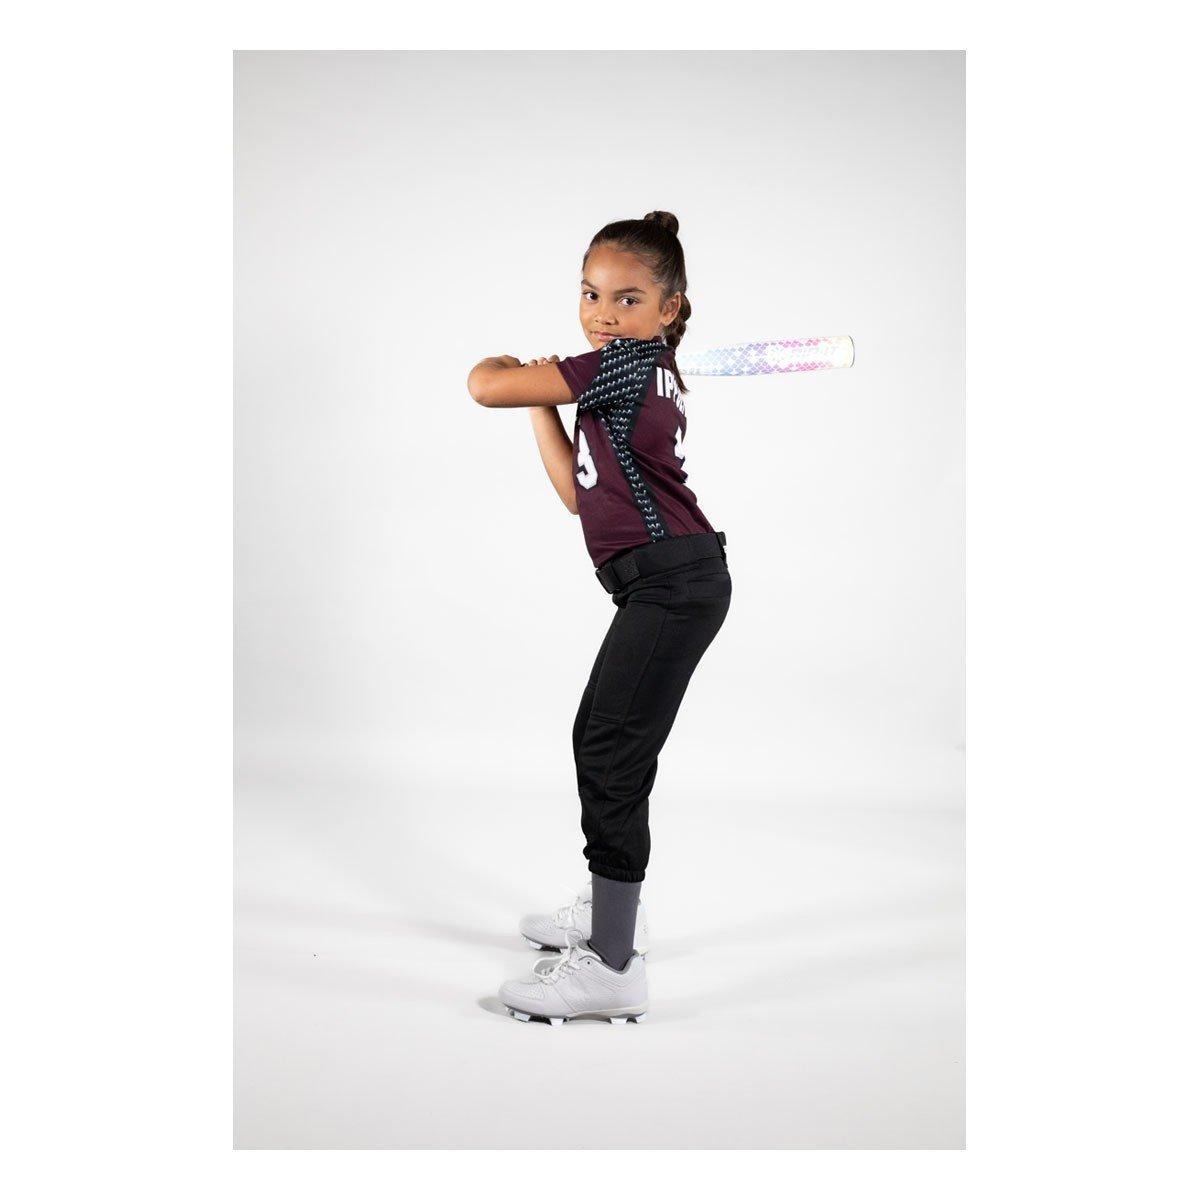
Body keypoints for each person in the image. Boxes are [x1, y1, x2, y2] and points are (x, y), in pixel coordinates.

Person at [467, 211, 732, 1024]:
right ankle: (611, 913)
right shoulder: (635, 373)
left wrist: (511, 372)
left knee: (611, 752)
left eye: (628, 299)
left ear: (668, 310)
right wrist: (543, 400)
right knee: (603, 740)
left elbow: (483, 385)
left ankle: (612, 964)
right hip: (668, 582)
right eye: (591, 295)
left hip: (670, 584)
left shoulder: (621, 364)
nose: (604, 314)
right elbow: (576, 498)